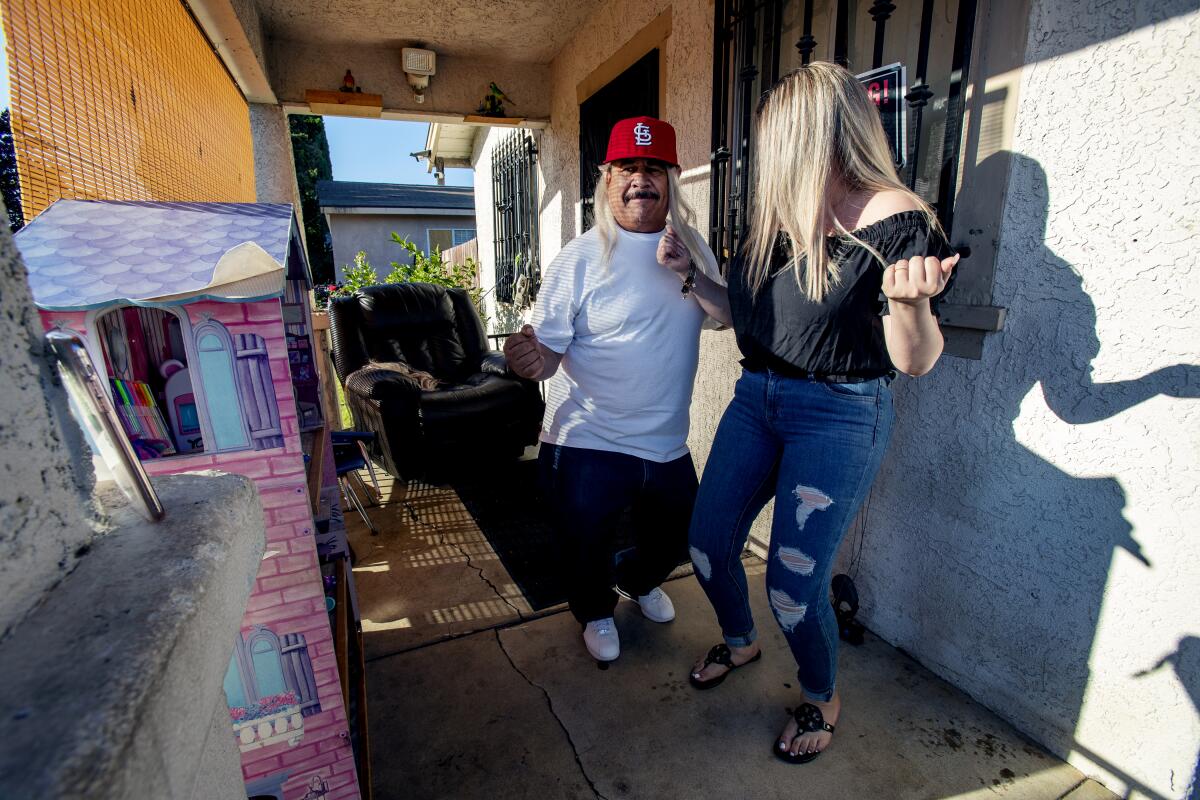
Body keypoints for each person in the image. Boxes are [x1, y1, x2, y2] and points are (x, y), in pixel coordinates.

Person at [684, 62, 960, 763]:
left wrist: (909, 303)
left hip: (838, 413)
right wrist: (692, 279)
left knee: (792, 585)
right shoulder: (778, 221)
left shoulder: (900, 220)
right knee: (707, 543)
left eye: (779, 136)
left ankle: (821, 694)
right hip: (757, 400)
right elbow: (739, 319)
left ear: (823, 133)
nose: (766, 153)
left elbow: (916, 359)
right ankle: (742, 644)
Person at [503, 116, 730, 662]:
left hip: (666, 440)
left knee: (677, 536)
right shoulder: (579, 258)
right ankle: (595, 610)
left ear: (672, 179)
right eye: (628, 168)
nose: (640, 181)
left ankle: (634, 579)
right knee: (582, 540)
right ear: (607, 180)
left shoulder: (693, 246)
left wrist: (688, 273)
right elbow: (549, 353)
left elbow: (727, 316)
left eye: (653, 168)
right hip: (588, 438)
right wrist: (530, 361)